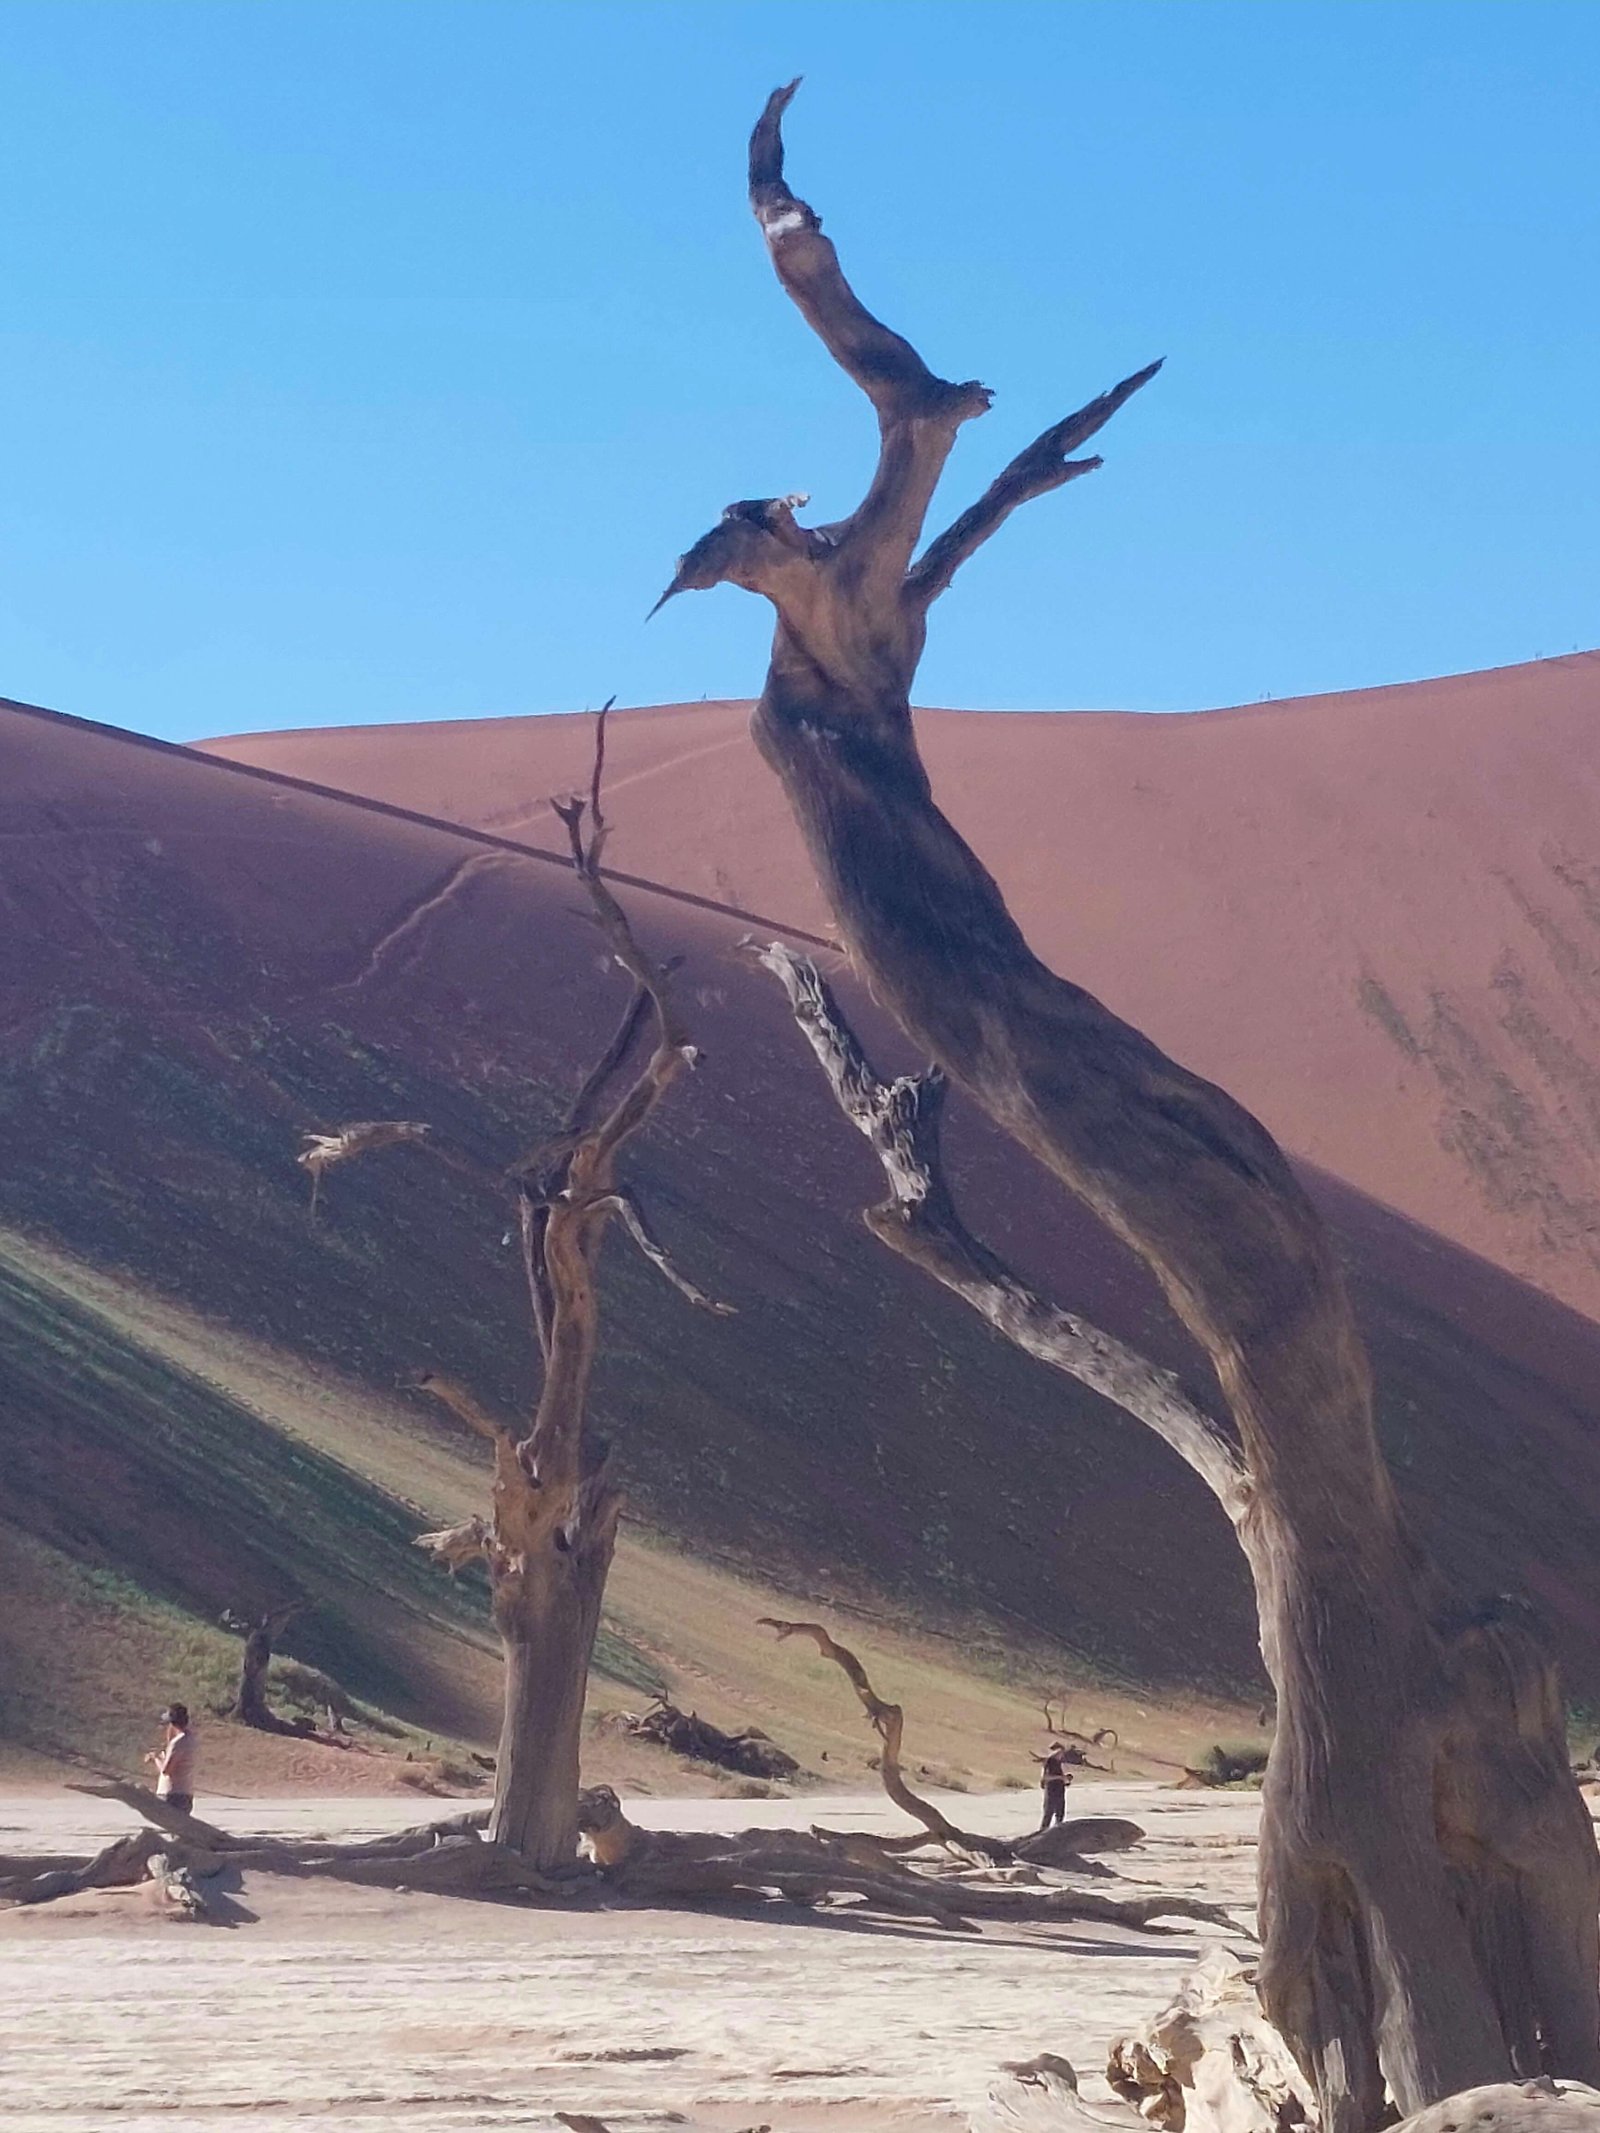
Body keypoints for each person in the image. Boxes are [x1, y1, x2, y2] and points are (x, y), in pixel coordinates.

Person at [144, 1703, 197, 1815]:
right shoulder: (190, 1739)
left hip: (172, 1794)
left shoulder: (178, 1743)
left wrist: (155, 1758)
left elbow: (166, 1770)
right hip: (185, 1793)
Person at [1035, 1740, 1072, 1830]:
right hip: (1051, 1792)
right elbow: (1046, 1777)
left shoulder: (1058, 1763)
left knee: (1060, 1815)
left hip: (1060, 1792)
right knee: (1048, 1815)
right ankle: (1042, 1834)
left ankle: (1057, 1834)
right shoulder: (1050, 1762)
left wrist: (1066, 1780)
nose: (1061, 1755)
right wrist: (1061, 1777)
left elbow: (1059, 1778)